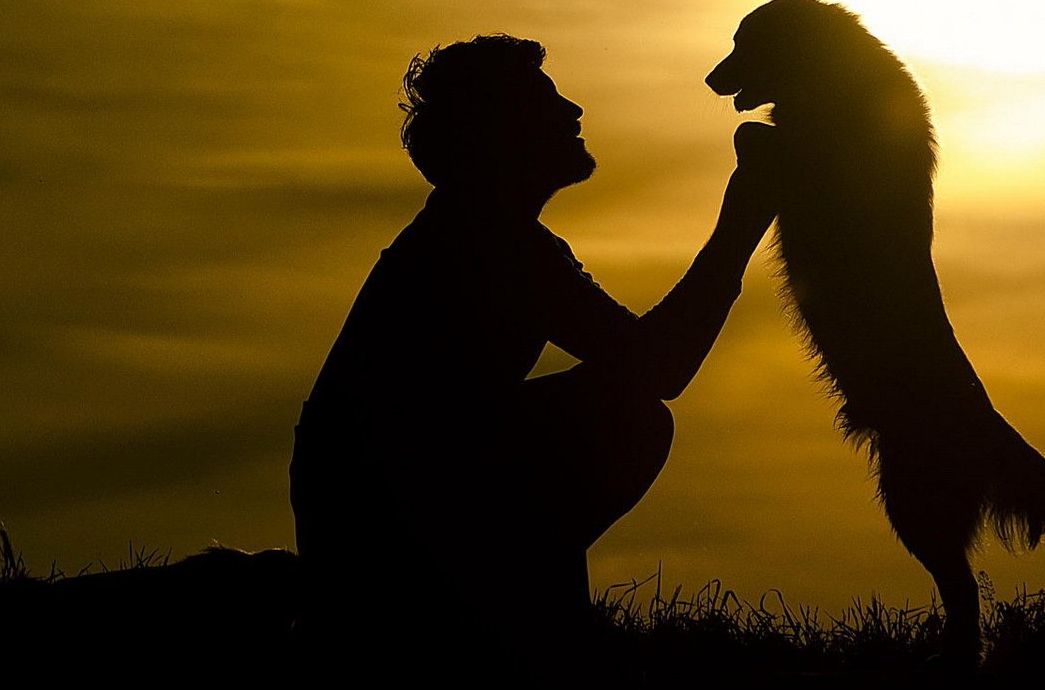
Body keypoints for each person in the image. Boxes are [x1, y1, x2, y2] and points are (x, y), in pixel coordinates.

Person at [289, 33, 776, 673]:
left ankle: (528, 623)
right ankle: (520, 632)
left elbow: (645, 359)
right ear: (501, 136)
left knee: (614, 407)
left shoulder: (480, 232)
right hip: (385, 525)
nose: (573, 111)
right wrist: (742, 221)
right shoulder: (489, 242)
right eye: (546, 103)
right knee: (625, 416)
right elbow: (659, 366)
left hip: (371, 514)